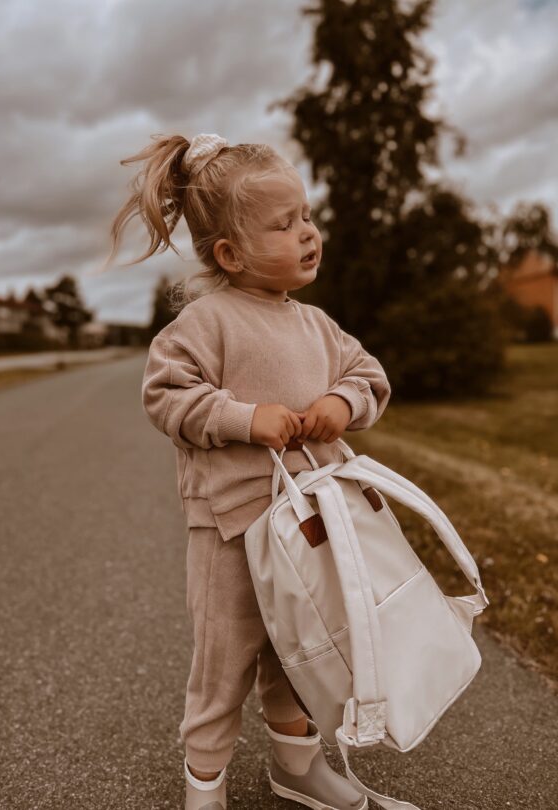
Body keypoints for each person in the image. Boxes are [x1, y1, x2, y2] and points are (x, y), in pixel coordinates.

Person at [106, 133, 391, 810]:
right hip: (232, 531)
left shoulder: (319, 326)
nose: (308, 233)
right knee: (224, 662)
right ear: (231, 253)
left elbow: (369, 376)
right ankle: (204, 787)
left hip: (312, 523)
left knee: (303, 649)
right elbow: (165, 394)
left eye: (308, 216)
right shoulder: (205, 323)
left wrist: (339, 402)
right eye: (285, 224)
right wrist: (241, 417)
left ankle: (296, 767)